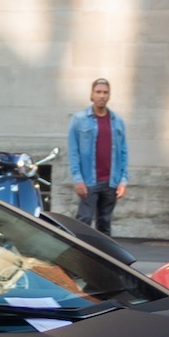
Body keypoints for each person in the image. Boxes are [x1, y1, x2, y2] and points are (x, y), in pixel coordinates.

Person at [65, 77, 128, 236]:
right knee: (83, 221)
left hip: (111, 181)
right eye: (98, 92)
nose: (102, 96)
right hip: (89, 181)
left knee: (104, 224)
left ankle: (105, 259)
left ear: (109, 96)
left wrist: (123, 180)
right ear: (92, 95)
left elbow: (123, 152)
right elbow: (73, 151)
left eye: (105, 93)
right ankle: (77, 256)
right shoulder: (79, 120)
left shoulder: (117, 121)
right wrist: (78, 179)